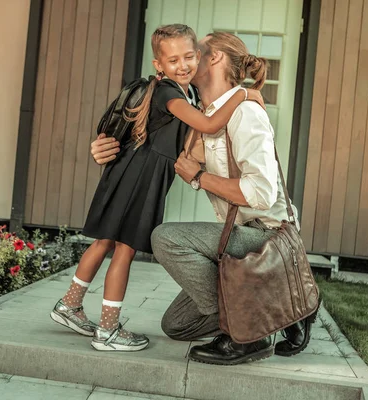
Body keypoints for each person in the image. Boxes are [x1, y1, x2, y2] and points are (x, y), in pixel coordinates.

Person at [90, 31, 314, 365]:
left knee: (166, 238)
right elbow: (150, 145)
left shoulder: (245, 114)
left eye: (197, 51)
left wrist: (199, 177)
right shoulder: (199, 115)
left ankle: (249, 334)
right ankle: (278, 305)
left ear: (215, 58)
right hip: (237, 238)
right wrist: (106, 147)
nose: (188, 57)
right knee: (177, 325)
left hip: (266, 238)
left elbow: (262, 194)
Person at [50, 24, 262, 352]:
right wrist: (246, 94)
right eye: (174, 60)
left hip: (127, 175)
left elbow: (189, 145)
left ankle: (70, 305)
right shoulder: (169, 94)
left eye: (190, 57)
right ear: (158, 65)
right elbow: (206, 125)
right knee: (124, 250)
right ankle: (107, 330)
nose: (184, 65)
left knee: (104, 242)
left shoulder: (172, 92)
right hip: (140, 180)